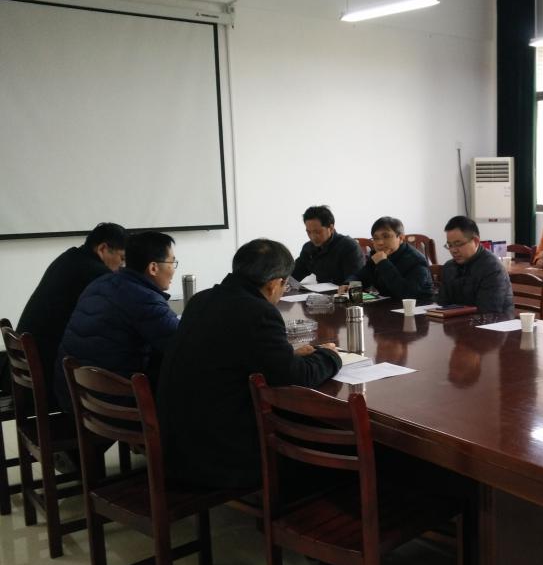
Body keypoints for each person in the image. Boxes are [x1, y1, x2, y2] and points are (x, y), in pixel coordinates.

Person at [159, 238, 342, 490]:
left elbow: (239, 355)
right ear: (274, 284)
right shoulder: (258, 312)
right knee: (325, 447)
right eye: (285, 285)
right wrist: (330, 356)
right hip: (219, 457)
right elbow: (295, 377)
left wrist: (289, 354)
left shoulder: (201, 300)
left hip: (177, 445)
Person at [55, 231, 180, 411]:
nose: (173, 269)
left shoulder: (100, 283)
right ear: (153, 268)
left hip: (76, 398)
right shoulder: (144, 299)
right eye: (172, 262)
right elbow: (183, 344)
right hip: (114, 407)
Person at [16, 222, 127, 403]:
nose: (122, 266)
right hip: (49, 370)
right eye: (121, 258)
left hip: (29, 364)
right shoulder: (95, 272)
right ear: (103, 249)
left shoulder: (69, 257)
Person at [437, 216, 514, 316]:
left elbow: (488, 312)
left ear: (476, 241)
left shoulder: (492, 268)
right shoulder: (449, 267)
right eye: (450, 245)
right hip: (459, 322)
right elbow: (442, 305)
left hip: (495, 323)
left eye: (458, 244)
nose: (453, 250)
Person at [350, 216, 433, 302]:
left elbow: (407, 293)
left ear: (401, 238)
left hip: (419, 307)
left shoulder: (416, 260)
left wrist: (383, 263)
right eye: (376, 238)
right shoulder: (377, 255)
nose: (380, 242)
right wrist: (349, 284)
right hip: (388, 305)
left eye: (386, 236)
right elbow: (361, 276)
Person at [291, 205, 365, 284]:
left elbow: (355, 282)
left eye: (318, 232)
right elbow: (294, 275)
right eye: (309, 232)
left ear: (331, 228)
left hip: (343, 290)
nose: (313, 237)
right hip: (321, 291)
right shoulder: (308, 248)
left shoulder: (349, 247)